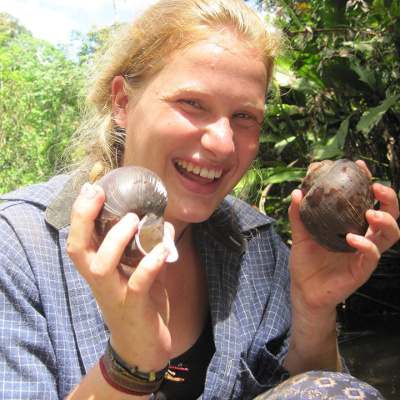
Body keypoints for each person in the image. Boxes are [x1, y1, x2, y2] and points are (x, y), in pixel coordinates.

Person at [0, 0, 399, 399]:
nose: (223, 144)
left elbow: (316, 389)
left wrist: (313, 311)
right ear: (122, 102)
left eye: (244, 116)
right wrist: (128, 368)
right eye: (192, 104)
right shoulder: (17, 250)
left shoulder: (256, 245)